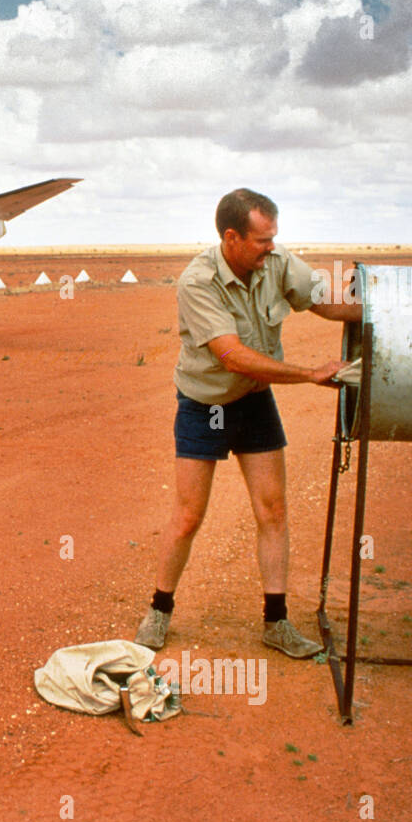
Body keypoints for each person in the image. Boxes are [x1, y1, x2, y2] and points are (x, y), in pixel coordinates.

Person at [136, 188, 361, 658]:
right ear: (232, 237)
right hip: (207, 405)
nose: (272, 248)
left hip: (255, 401)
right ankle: (158, 611)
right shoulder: (197, 281)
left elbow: (323, 301)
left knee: (273, 512)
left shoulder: (275, 264)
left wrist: (387, 311)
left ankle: (276, 624)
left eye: (274, 237)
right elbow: (233, 356)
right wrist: (309, 374)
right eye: (262, 240)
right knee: (188, 516)